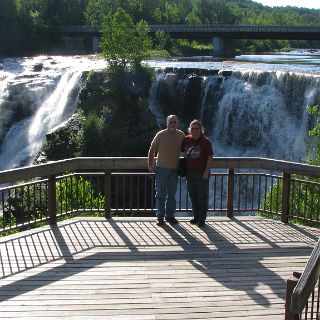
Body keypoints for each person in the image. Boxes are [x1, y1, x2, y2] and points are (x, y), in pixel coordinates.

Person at [148, 115, 185, 226]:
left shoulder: (181, 135)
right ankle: (160, 217)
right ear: (167, 123)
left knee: (172, 195)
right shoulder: (160, 134)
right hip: (161, 169)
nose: (172, 123)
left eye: (174, 122)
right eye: (170, 122)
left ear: (177, 123)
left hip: (174, 170)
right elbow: (152, 150)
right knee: (160, 194)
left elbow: (187, 148)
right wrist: (150, 165)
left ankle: (170, 216)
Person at [182, 119, 213, 228]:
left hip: (201, 173)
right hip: (190, 173)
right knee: (193, 195)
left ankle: (202, 219)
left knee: (202, 196)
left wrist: (206, 172)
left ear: (201, 130)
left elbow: (210, 158)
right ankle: (196, 216)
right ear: (190, 129)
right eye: (193, 128)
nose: (194, 130)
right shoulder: (186, 139)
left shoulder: (205, 142)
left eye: (197, 128)